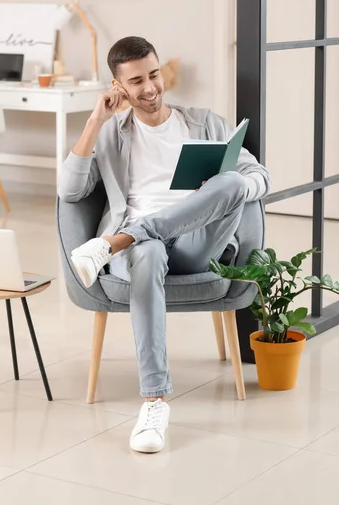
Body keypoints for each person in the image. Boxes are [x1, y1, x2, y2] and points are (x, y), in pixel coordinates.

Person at [58, 36, 271, 454]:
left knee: (232, 181)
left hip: (197, 244)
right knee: (148, 248)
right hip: (143, 254)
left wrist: (226, 190)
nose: (150, 87)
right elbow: (69, 191)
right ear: (119, 87)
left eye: (153, 74)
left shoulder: (205, 122)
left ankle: (113, 242)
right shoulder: (111, 134)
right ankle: (154, 403)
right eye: (136, 81)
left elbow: (261, 177)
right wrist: (93, 122)